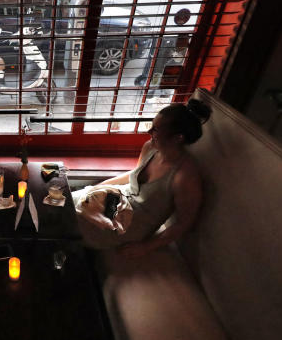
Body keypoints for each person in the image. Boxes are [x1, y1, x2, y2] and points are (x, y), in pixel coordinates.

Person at [72, 99, 211, 258]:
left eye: (156, 130)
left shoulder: (185, 176)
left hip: (130, 223)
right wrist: (99, 186)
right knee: (63, 199)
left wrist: (146, 247)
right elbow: (134, 173)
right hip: (116, 199)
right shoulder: (150, 147)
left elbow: (184, 223)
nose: (149, 132)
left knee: (69, 219)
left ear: (177, 138)